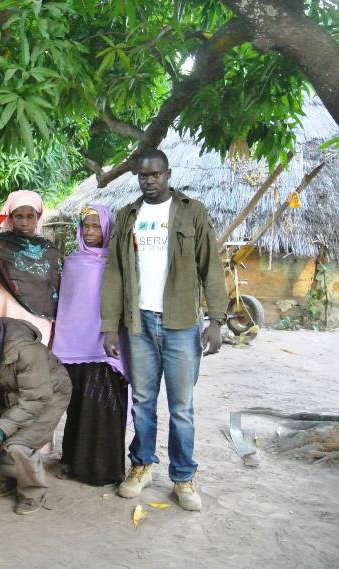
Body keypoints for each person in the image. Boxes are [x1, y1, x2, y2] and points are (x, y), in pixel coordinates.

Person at [102, 148, 226, 511]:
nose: (149, 180)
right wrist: (110, 326)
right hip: (138, 323)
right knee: (142, 402)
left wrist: (216, 320)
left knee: (181, 406)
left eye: (155, 174)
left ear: (168, 174)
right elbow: (115, 274)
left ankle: (183, 478)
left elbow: (212, 267)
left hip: (181, 324)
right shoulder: (128, 217)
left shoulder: (192, 211)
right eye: (143, 175)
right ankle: (140, 466)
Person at [0, 304, 72, 515]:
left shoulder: (26, 351)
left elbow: (34, 400)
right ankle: (10, 475)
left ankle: (33, 491)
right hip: (12, 390)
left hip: (47, 395)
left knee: (18, 444)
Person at [52, 205, 129, 486]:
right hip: (73, 348)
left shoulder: (117, 263)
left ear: (107, 228)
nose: (91, 231)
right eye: (86, 226)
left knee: (104, 406)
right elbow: (67, 306)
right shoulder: (72, 262)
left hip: (104, 347)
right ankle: (72, 461)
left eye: (97, 226)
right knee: (78, 407)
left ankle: (103, 470)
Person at [0, 190, 60, 346]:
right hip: (7, 316)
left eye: (30, 216)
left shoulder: (49, 251)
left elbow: (56, 290)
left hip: (40, 322)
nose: (24, 222)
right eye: (18, 216)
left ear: (38, 216)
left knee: (35, 361)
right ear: (10, 217)